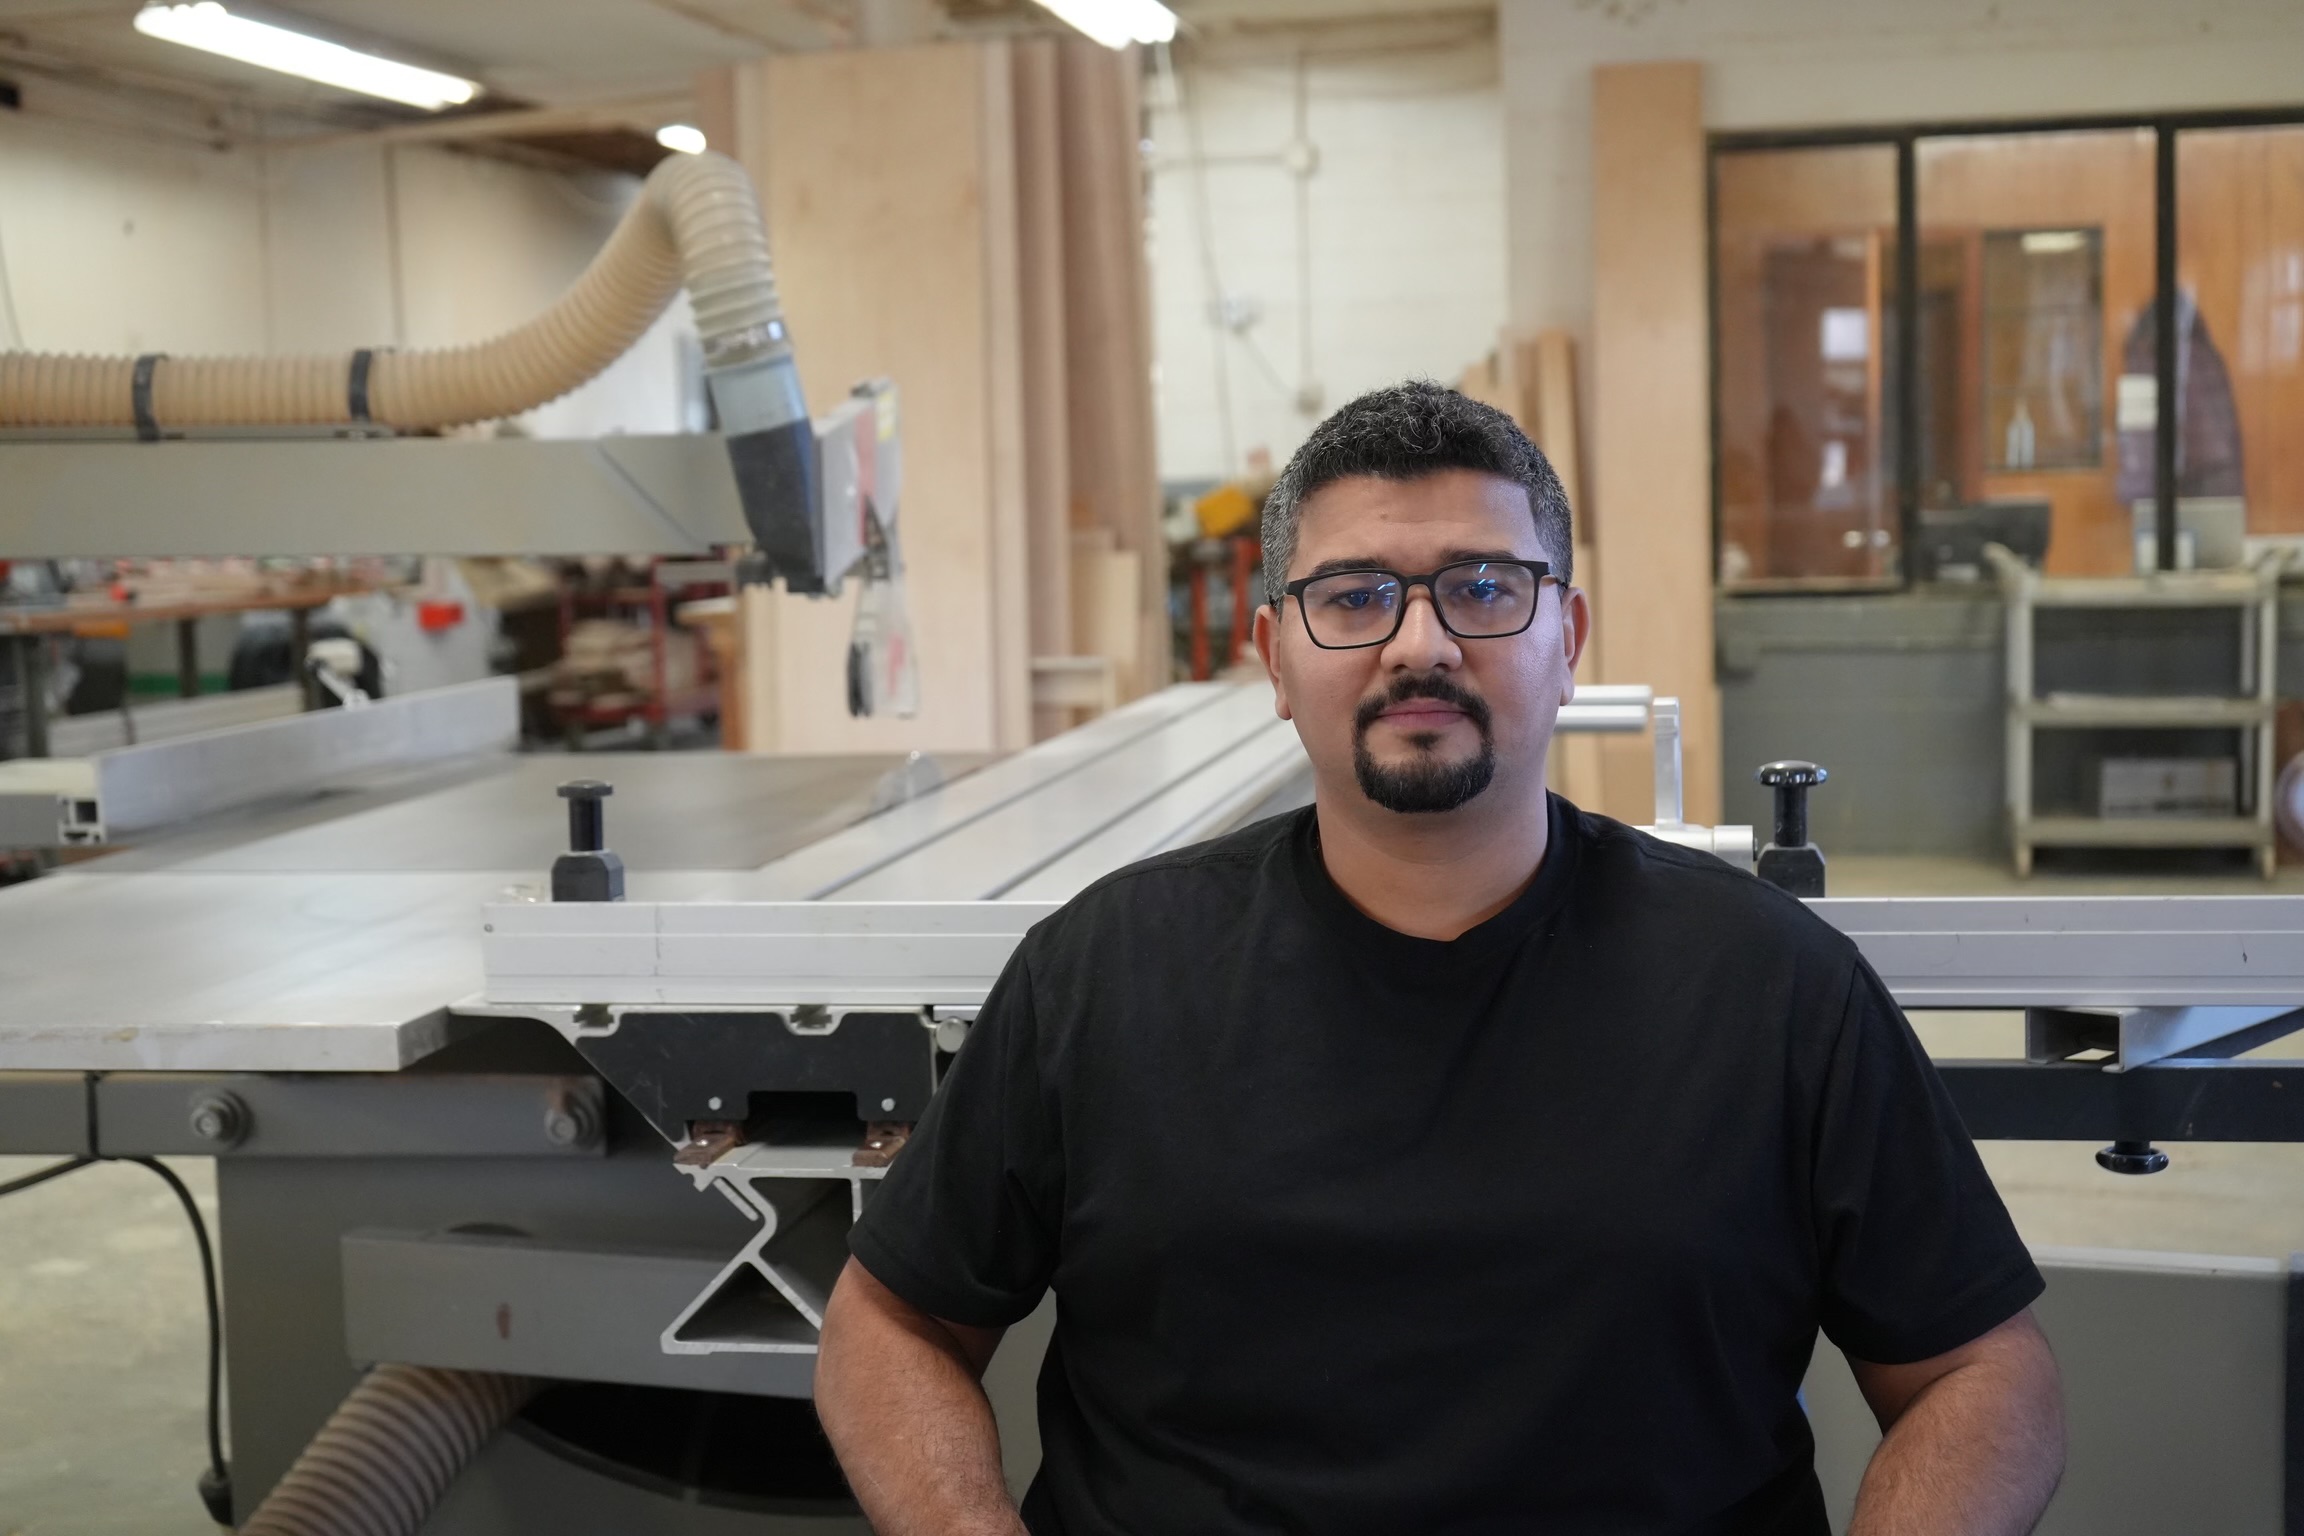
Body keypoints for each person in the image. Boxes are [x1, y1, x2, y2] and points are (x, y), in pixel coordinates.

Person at [814, 381, 2064, 1535]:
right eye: (1354, 596)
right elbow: (890, 1321)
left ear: (1565, 637)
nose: (1420, 644)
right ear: (1273, 659)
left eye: (1482, 586)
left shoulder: (1770, 986)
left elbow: (1981, 1370)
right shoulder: (1104, 975)